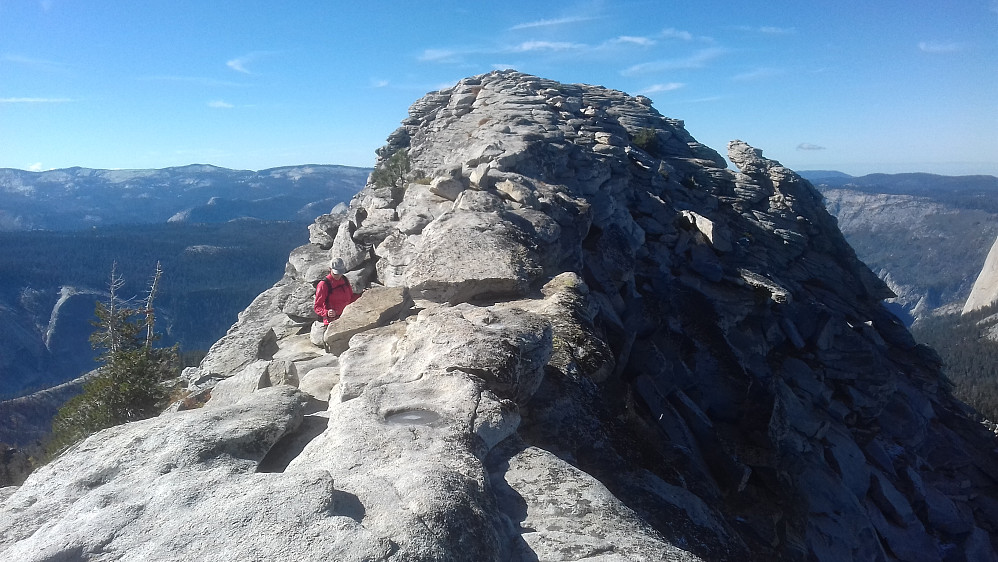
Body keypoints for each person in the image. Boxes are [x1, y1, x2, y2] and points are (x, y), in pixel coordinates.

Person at [314, 258, 358, 325]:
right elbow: (317, 307)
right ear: (330, 269)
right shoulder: (324, 285)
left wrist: (362, 295)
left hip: (347, 316)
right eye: (336, 273)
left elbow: (351, 297)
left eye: (340, 273)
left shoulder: (344, 279)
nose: (338, 276)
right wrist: (327, 312)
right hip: (332, 321)